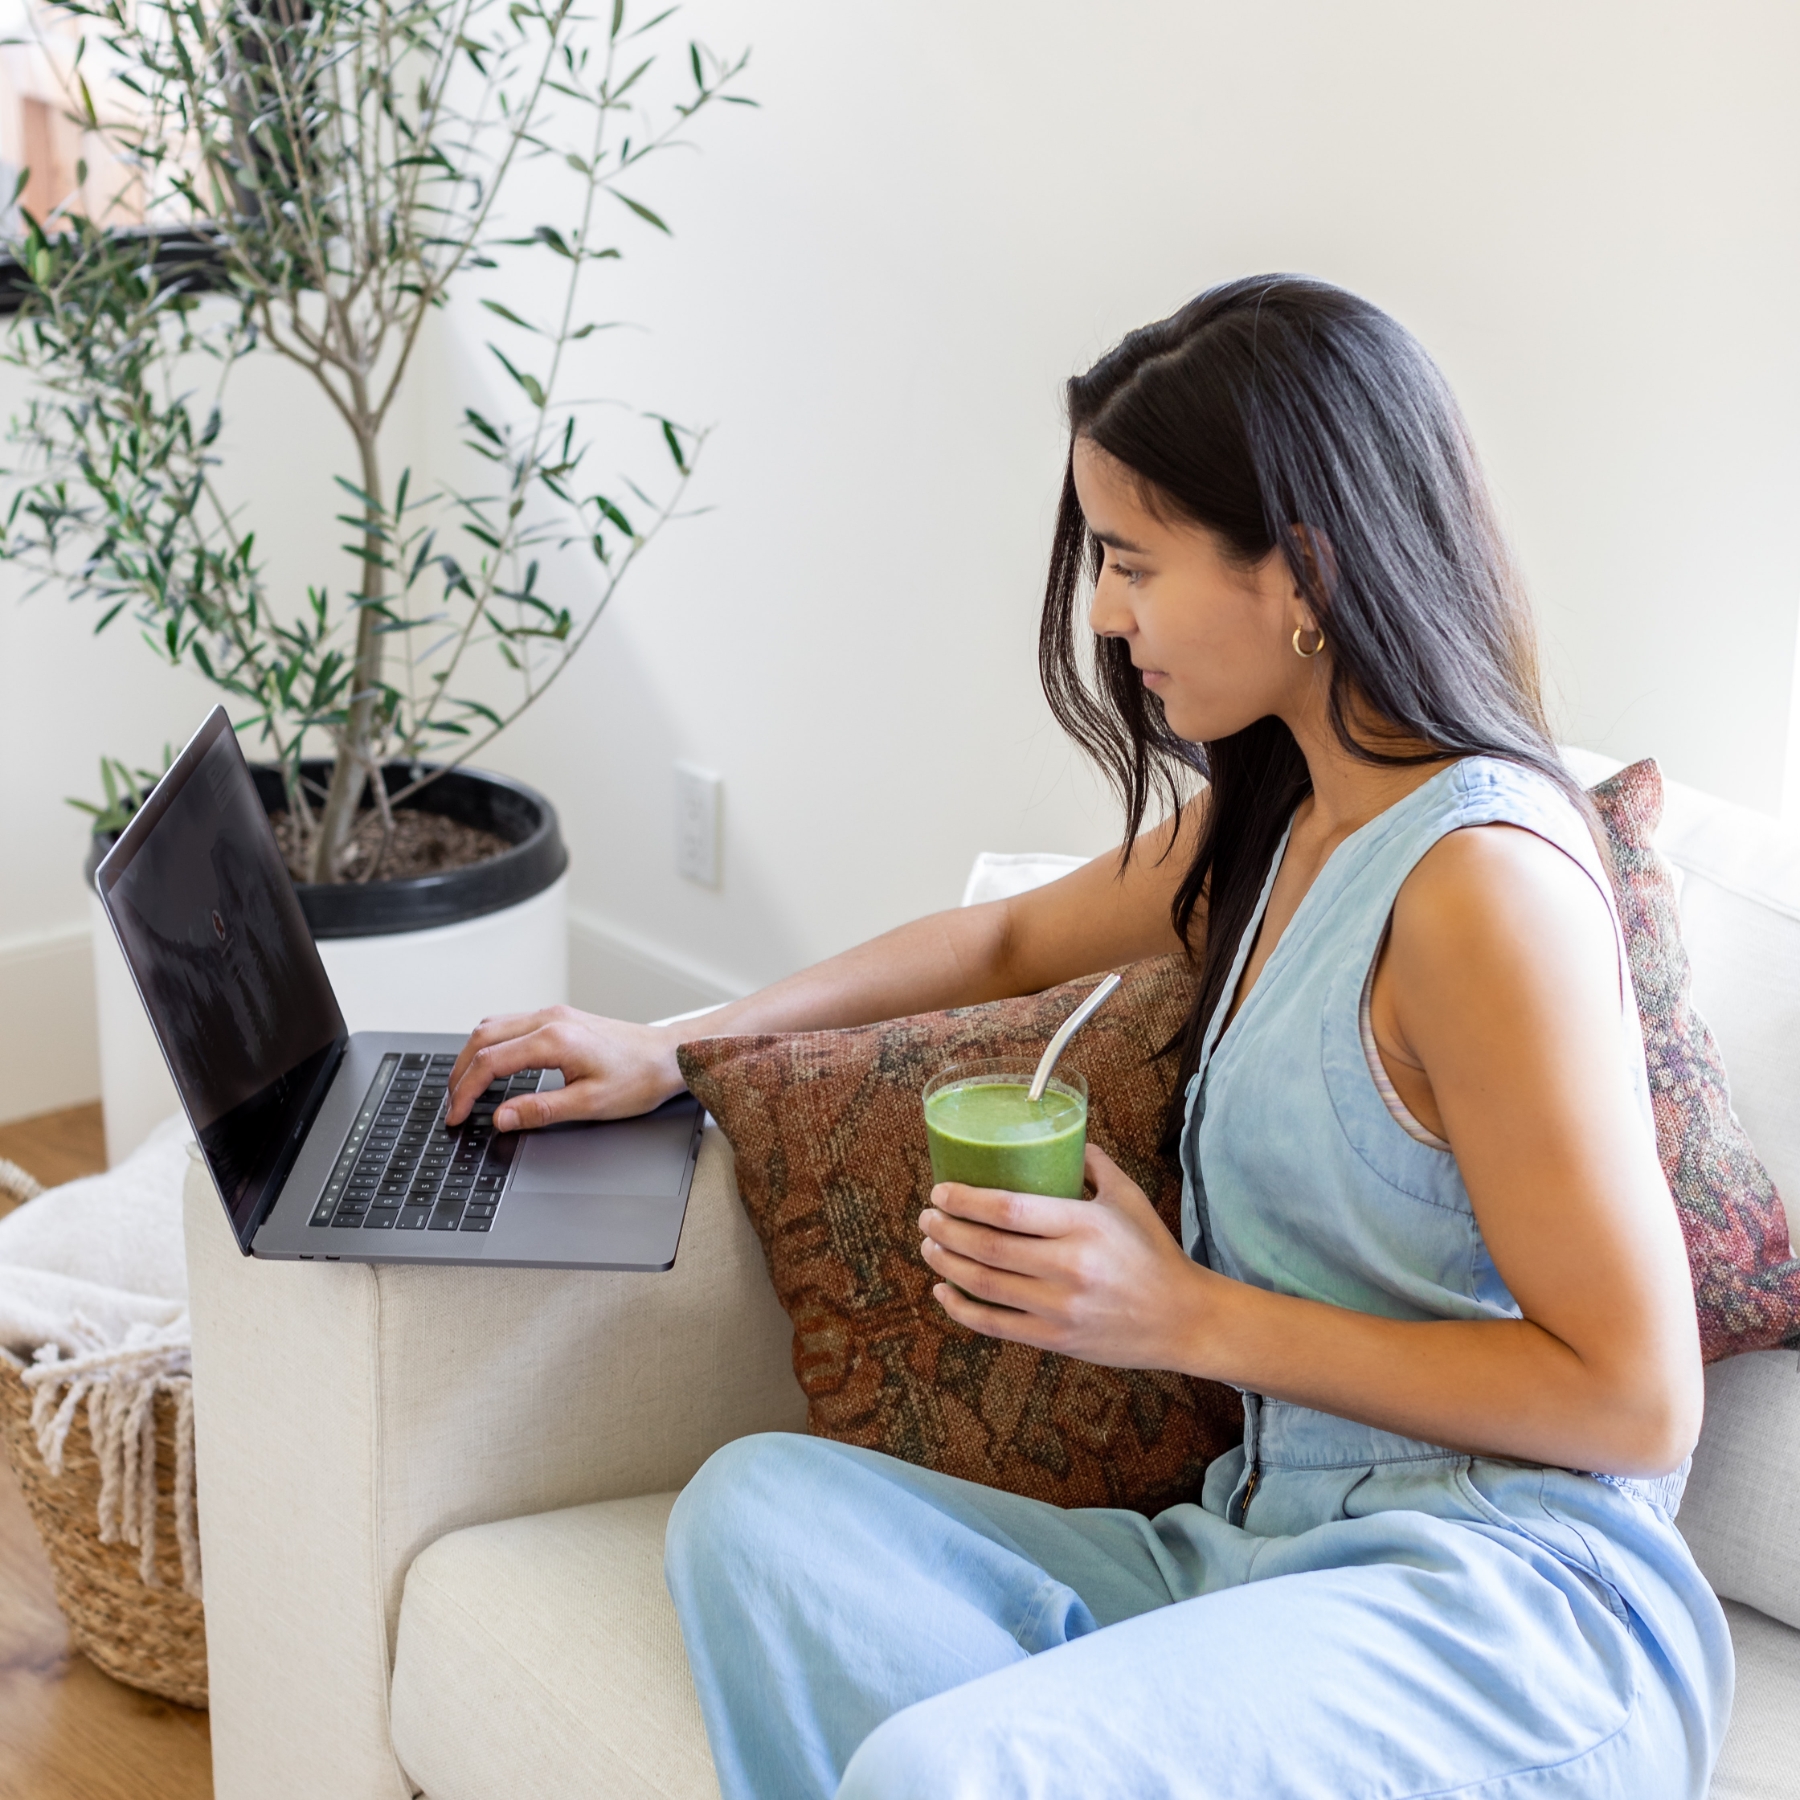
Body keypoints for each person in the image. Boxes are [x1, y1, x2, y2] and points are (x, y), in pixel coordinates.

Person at [445, 276, 1732, 1799]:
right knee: (757, 1515)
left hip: (1504, 1614)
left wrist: (1181, 1316)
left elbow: (1635, 1398)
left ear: (1301, 566)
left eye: (1130, 561)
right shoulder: (1289, 812)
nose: (1105, 618)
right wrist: (682, 1047)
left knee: (940, 1769)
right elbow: (1001, 942)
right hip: (1266, 1558)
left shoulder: (1482, 890)